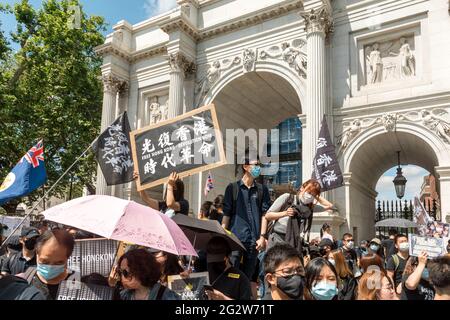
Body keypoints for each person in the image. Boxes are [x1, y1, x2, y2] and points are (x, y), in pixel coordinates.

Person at [221, 152, 271, 288]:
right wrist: (223, 235)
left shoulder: (262, 190)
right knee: (231, 275)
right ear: (245, 166)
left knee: (247, 279)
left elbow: (264, 215)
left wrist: (262, 237)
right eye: (256, 165)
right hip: (235, 240)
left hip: (254, 242)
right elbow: (227, 214)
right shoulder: (232, 188)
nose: (258, 168)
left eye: (259, 165)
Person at [265, 180, 333, 251]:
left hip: (293, 241)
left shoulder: (309, 208)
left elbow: (329, 205)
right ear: (302, 188)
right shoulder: (287, 198)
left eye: (313, 195)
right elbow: (268, 215)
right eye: (309, 192)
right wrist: (285, 213)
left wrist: (316, 196)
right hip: (278, 238)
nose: (309, 196)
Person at [25, 228, 75, 300]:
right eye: (45, 262)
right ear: (37, 255)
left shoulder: (79, 283)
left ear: (68, 258)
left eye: (58, 263)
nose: (50, 267)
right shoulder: (24, 281)